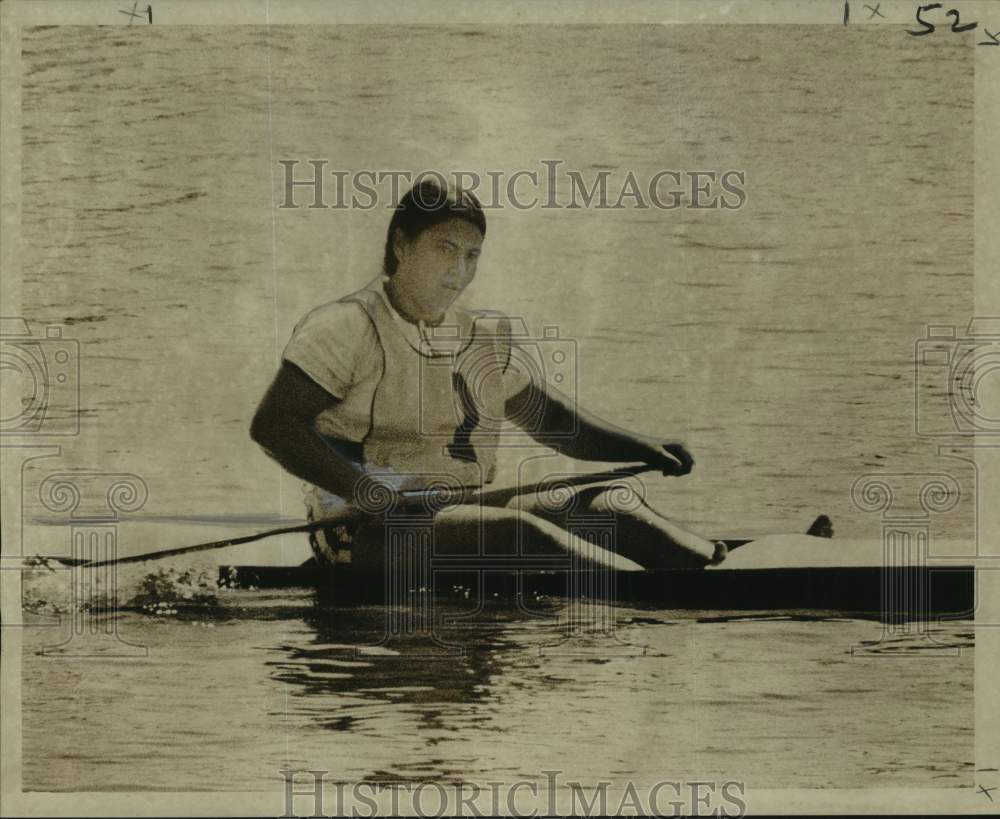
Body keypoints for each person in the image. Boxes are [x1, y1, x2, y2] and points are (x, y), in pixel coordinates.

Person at [250, 179, 727, 575]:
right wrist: (370, 493)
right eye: (445, 249)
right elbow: (273, 426)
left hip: (461, 510)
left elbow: (555, 424)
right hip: (363, 528)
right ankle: (648, 591)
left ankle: (712, 568)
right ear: (401, 245)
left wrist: (643, 448)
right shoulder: (345, 327)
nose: (459, 271)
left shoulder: (477, 337)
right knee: (520, 534)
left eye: (472, 256)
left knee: (609, 506)